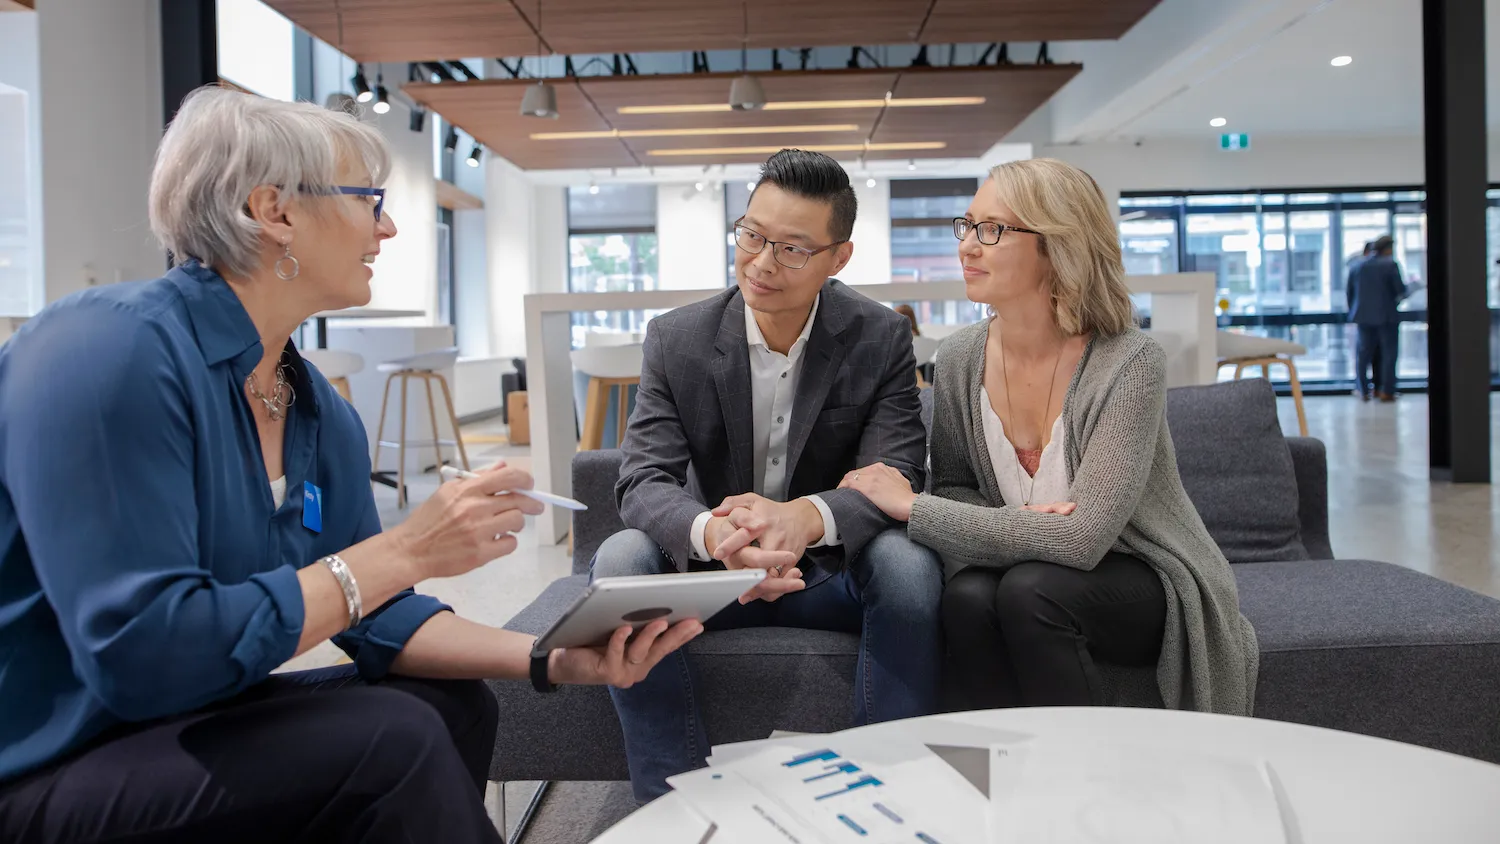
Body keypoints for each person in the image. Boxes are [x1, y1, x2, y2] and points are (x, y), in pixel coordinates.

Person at [0, 87, 700, 843]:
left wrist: (551, 659)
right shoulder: (107, 352)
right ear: (275, 212)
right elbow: (146, 656)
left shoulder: (311, 409)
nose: (389, 226)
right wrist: (403, 549)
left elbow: (380, 615)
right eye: (370, 200)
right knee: (389, 744)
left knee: (452, 702)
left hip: (181, 719)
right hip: (46, 758)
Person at [840, 158, 1259, 715]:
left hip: (1141, 571)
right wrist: (1017, 529)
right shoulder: (961, 356)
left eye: (992, 230)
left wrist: (913, 507)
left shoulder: (1129, 361)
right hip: (1021, 570)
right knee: (967, 597)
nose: (967, 246)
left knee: (1029, 592)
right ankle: (1002, 767)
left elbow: (1083, 541)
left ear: (1059, 244)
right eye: (966, 226)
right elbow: (962, 487)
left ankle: (1077, 780)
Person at [592, 149, 942, 802]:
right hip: (716, 574)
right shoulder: (678, 339)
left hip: (829, 571)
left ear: (839, 257)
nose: (761, 263)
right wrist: (716, 535)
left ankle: (883, 793)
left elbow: (896, 471)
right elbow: (642, 480)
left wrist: (803, 519)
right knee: (620, 555)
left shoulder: (879, 337)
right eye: (751, 235)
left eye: (792, 249)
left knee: (910, 566)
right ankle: (673, 804)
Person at [1348, 234, 1410, 402]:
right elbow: (1400, 291)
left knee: (1363, 354)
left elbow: (1350, 294)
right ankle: (1386, 391)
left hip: (1363, 317)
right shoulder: (1390, 265)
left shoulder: (1357, 266)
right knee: (1389, 355)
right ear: (1388, 248)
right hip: (1386, 317)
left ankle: (1363, 390)